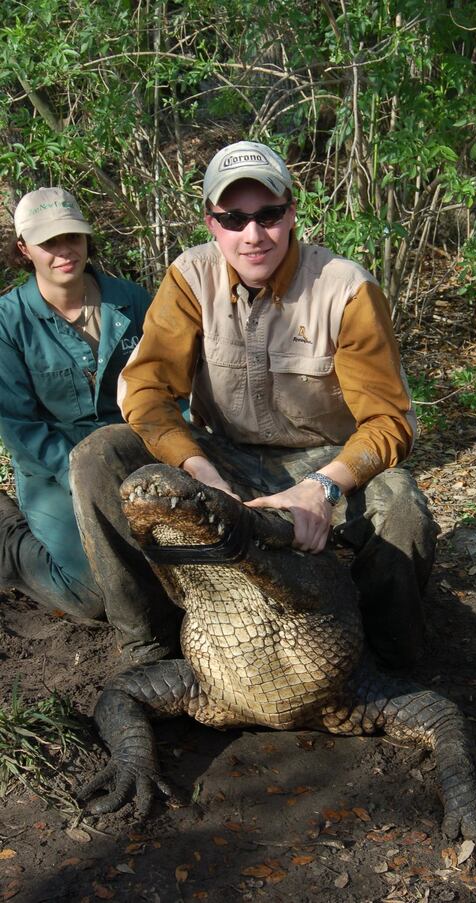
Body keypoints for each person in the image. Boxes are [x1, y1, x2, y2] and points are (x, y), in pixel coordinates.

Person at [70, 142, 438, 667]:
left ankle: (387, 661)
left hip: (321, 457)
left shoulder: (345, 289)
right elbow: (146, 390)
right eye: (234, 218)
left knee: (401, 508)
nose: (253, 234)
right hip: (221, 451)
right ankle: (151, 643)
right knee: (98, 457)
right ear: (211, 222)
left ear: (291, 212)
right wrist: (198, 471)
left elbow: (388, 419)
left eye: (268, 215)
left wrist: (323, 488)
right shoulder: (189, 278)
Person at [0, 187, 178, 664]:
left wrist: (184, 452)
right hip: (53, 467)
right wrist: (79, 478)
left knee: (172, 573)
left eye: (72, 237)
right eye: (48, 242)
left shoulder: (132, 301)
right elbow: (19, 425)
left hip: (135, 453)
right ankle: (10, 541)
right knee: (95, 593)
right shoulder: (8, 322)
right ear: (24, 249)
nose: (64, 251)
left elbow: (172, 386)